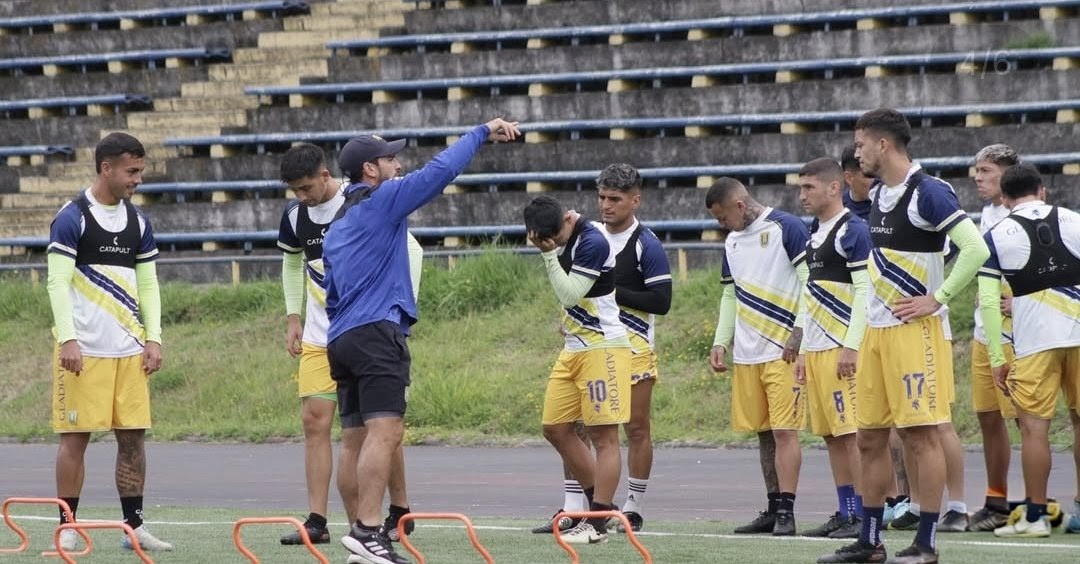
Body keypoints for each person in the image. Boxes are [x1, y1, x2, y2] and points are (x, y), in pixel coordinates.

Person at [325, 118, 519, 564]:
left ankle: (361, 536)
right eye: (390, 158)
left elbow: (331, 294)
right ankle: (369, 531)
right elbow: (440, 172)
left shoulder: (337, 223)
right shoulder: (384, 199)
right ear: (370, 170)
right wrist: (480, 132)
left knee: (353, 438)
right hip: (376, 333)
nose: (398, 163)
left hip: (342, 338)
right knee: (386, 430)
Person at [818, 108, 989, 564]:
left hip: (915, 334)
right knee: (869, 439)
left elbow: (975, 248)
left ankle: (926, 543)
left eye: (859, 145)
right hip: (876, 332)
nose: (855, 154)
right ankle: (870, 541)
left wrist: (939, 296)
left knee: (921, 437)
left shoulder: (928, 192)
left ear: (883, 145)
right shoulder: (878, 195)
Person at [275, 144, 423, 545]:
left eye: (306, 188)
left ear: (326, 176)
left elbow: (411, 249)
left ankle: (398, 510)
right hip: (320, 335)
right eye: (295, 191)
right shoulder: (294, 216)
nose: (302, 197)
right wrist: (293, 316)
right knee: (315, 422)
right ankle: (319, 520)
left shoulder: (361, 201)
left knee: (381, 425)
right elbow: (292, 262)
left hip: (367, 328)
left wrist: (399, 314)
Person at [46, 132, 173, 552]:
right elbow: (57, 283)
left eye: (140, 171)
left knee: (133, 439)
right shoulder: (73, 217)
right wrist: (68, 338)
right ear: (107, 168)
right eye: (132, 171)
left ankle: (133, 527)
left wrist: (153, 338)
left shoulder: (138, 222)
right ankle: (66, 525)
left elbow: (150, 286)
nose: (138, 179)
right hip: (84, 352)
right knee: (76, 438)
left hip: (130, 352)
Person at [531, 164, 672, 535]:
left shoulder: (641, 242)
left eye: (615, 199)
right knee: (564, 428)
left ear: (634, 200)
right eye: (602, 198)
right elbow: (572, 296)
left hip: (624, 344)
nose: (607, 205)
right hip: (582, 343)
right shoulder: (581, 235)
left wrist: (607, 290)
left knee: (631, 429)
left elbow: (661, 300)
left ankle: (625, 507)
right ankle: (584, 508)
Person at [523, 194, 633, 545]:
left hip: (603, 348)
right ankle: (599, 507)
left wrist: (547, 255)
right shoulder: (563, 236)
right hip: (574, 348)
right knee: (555, 428)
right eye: (544, 240)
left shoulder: (593, 241)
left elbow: (570, 294)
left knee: (604, 437)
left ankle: (597, 521)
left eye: (554, 238)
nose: (552, 244)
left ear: (566, 221)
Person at [979, 164, 1080, 538]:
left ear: (1004, 199)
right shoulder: (1074, 219)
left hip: (1035, 340)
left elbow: (989, 304)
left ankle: (1035, 516)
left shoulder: (994, 235)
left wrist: (996, 358)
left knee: (1035, 430)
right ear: (1043, 191)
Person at [707, 177, 809, 536]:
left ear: (738, 205)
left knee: (785, 432)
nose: (722, 226)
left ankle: (788, 510)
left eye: (722, 218)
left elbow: (810, 284)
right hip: (749, 354)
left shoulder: (787, 227)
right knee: (763, 433)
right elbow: (730, 296)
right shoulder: (733, 242)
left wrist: (799, 335)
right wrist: (721, 341)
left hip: (783, 351)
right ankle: (772, 505)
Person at [794, 158, 871, 540]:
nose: (802, 194)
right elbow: (811, 296)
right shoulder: (814, 231)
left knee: (852, 436)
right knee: (831, 436)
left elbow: (865, 292)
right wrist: (806, 351)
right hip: (820, 350)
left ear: (833, 188)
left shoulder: (853, 231)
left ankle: (862, 517)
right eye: (801, 187)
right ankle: (846, 511)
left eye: (809, 187)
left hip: (842, 350)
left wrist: (851, 345)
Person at [844, 144, 912, 525]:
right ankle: (886, 504)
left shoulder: (901, 199)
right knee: (870, 430)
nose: (873, 184)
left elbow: (953, 249)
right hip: (863, 328)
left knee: (910, 426)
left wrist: (935, 297)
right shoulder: (843, 216)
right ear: (848, 177)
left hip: (901, 324)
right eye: (866, 177)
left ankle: (907, 501)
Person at [965, 144, 1021, 532]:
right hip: (985, 334)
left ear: (1007, 172)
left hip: (1019, 335)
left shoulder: (1025, 212)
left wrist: (1020, 300)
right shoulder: (985, 214)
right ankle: (997, 500)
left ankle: (1039, 501)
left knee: (1027, 421)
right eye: (976, 174)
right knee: (988, 417)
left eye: (986, 171)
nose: (979, 180)